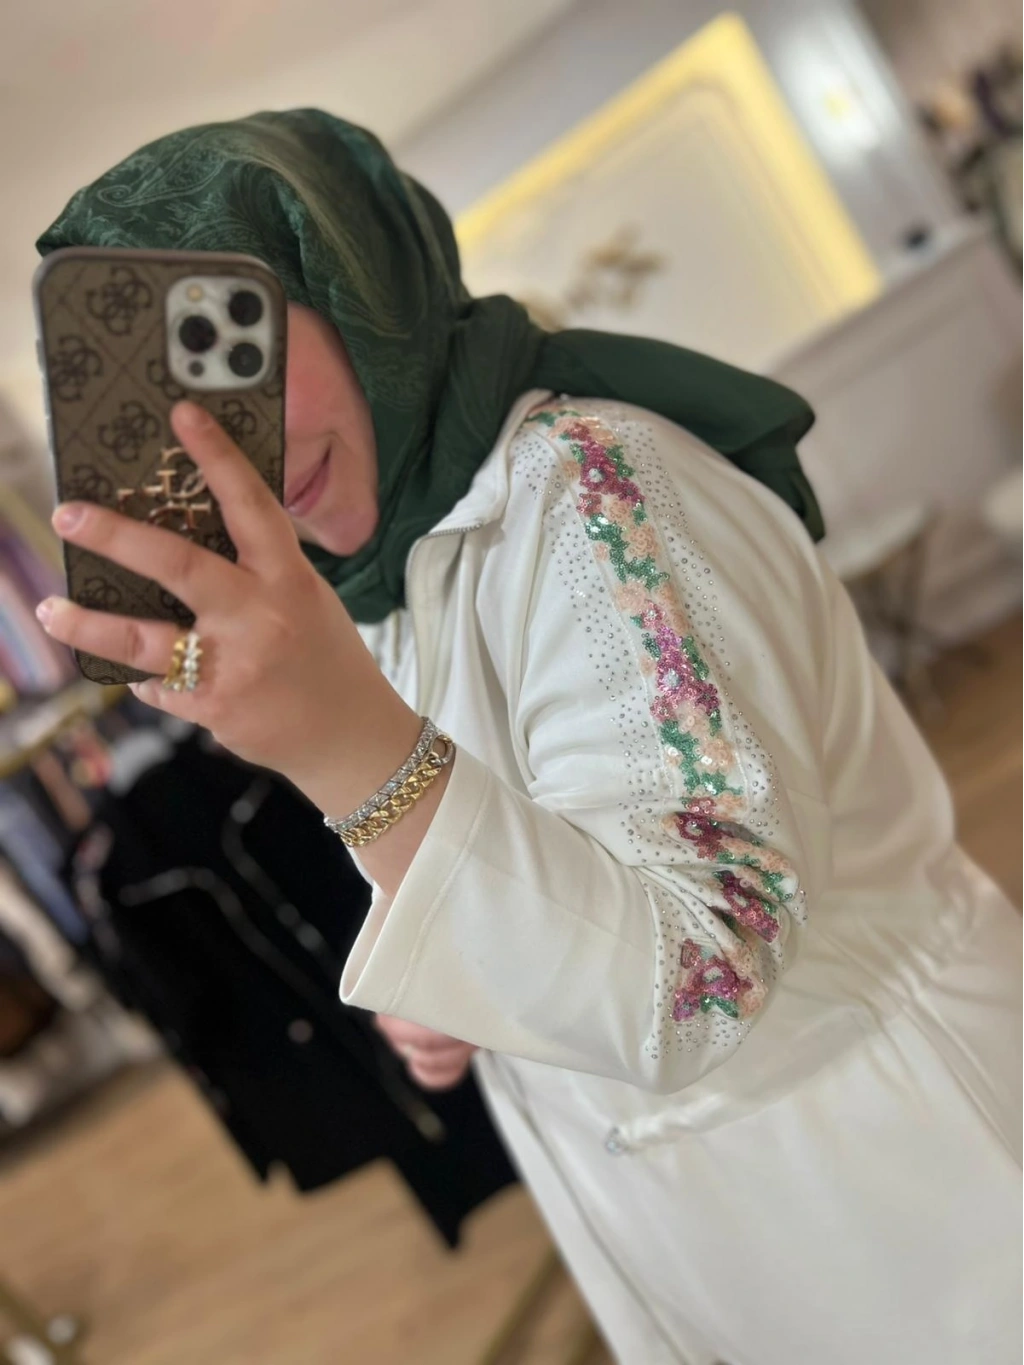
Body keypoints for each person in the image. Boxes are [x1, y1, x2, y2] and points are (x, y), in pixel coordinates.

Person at [34, 111, 1024, 1364]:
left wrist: (350, 757)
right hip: (714, 1222)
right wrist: (460, 981)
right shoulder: (379, 586)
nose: (248, 449)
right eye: (182, 414)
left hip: (909, 1193)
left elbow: (698, 979)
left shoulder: (594, 495)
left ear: (355, 283)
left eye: (245, 354)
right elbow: (542, 882)